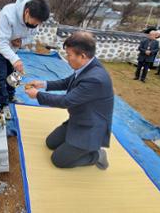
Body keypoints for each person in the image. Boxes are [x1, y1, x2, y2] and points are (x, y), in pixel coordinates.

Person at [24, 32, 114, 169]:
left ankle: (96, 155)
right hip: (78, 119)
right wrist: (43, 84)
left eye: (69, 55)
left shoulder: (95, 79)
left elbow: (66, 101)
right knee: (51, 143)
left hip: (90, 127)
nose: (67, 58)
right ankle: (74, 146)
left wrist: (37, 95)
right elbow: (68, 82)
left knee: (58, 160)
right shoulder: (87, 65)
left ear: (82, 56)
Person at [0, 0, 50, 118]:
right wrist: (15, 59)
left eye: (38, 23)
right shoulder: (8, 14)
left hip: (13, 47)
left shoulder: (35, 20)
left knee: (13, 74)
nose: (35, 25)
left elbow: (31, 36)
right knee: (2, 76)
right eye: (34, 22)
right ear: (27, 12)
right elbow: (1, 41)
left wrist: (22, 42)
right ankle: (3, 104)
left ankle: (11, 95)